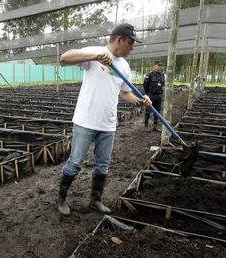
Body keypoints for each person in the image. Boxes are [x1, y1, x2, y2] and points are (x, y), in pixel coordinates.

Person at [57, 23, 152, 216]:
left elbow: (124, 93)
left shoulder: (124, 66)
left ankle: (96, 200)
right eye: (131, 42)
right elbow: (64, 58)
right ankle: (61, 198)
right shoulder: (95, 52)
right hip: (85, 121)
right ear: (120, 40)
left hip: (108, 124)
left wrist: (140, 101)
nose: (132, 47)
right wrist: (94, 57)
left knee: (103, 164)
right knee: (75, 162)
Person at [143, 60, 165, 132]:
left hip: (158, 96)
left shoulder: (162, 75)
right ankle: (146, 126)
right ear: (155, 65)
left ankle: (155, 126)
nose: (160, 67)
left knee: (157, 112)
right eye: (158, 65)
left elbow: (162, 85)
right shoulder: (149, 75)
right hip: (151, 96)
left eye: (161, 65)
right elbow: (145, 86)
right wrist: (148, 94)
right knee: (148, 111)